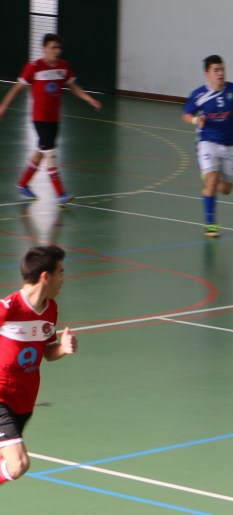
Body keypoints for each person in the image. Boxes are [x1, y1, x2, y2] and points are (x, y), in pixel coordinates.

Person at [0, 246, 78, 487]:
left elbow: (47, 352)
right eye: (61, 273)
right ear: (46, 276)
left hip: (23, 402)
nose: (63, 279)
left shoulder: (50, 309)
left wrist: (63, 348)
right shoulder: (7, 309)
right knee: (18, 463)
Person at [0, 34, 102, 205]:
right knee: (50, 153)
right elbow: (17, 88)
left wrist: (88, 99)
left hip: (54, 118)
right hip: (40, 118)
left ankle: (23, 183)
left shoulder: (63, 67)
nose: (57, 51)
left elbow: (73, 87)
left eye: (59, 48)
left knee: (42, 150)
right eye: (53, 47)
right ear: (44, 48)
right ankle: (60, 193)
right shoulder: (34, 67)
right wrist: (3, 106)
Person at [182, 55, 233, 238]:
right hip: (208, 142)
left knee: (226, 189)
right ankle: (210, 225)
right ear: (207, 74)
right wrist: (196, 120)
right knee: (212, 181)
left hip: (230, 144)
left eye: (222, 69)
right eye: (216, 70)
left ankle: (207, 178)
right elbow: (186, 114)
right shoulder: (199, 95)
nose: (221, 73)